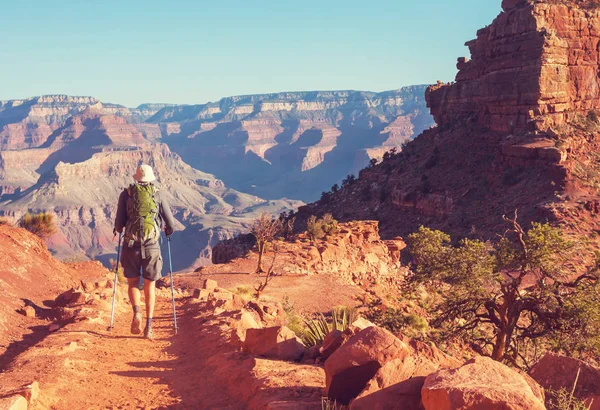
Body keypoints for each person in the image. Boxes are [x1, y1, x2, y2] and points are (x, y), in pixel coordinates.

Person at [114, 164, 176, 339]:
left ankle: (137, 313)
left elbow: (119, 224)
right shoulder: (158, 194)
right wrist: (167, 231)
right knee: (150, 285)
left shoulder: (126, 194)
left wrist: (122, 229)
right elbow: (170, 224)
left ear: (136, 178)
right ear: (150, 178)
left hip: (131, 245)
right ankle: (149, 327)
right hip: (151, 247)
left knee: (133, 284)